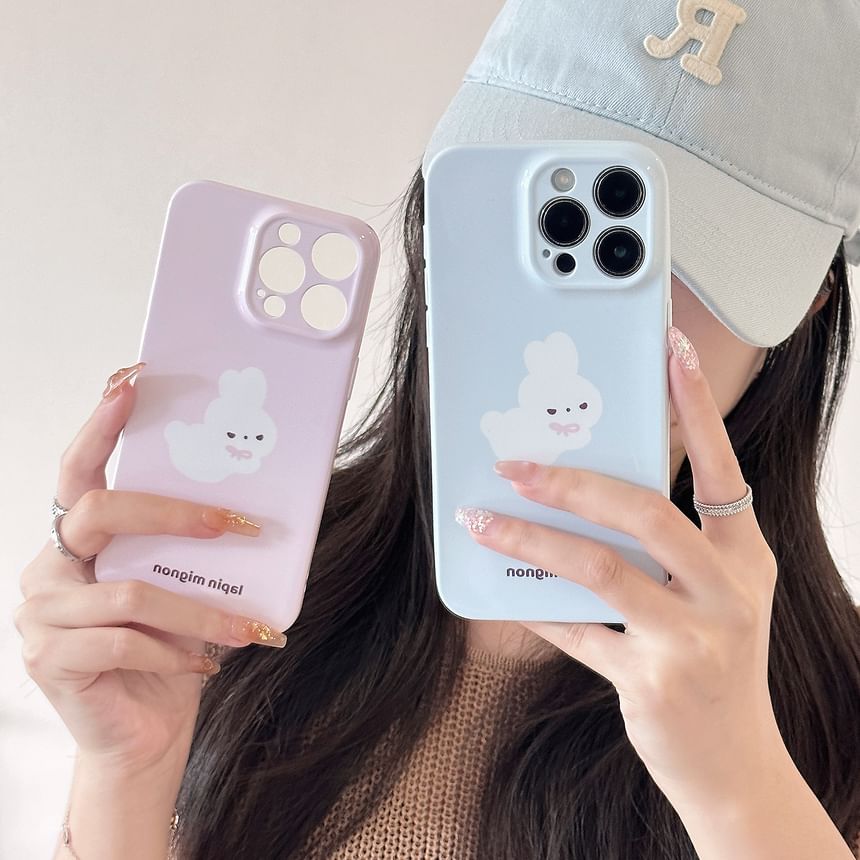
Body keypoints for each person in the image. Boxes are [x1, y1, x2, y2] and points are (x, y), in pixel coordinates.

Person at [14, 0, 860, 857]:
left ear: (809, 301)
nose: (612, 315)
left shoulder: (838, 717)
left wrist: (742, 789)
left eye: (683, 255)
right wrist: (126, 772)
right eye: (556, 224)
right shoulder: (242, 581)